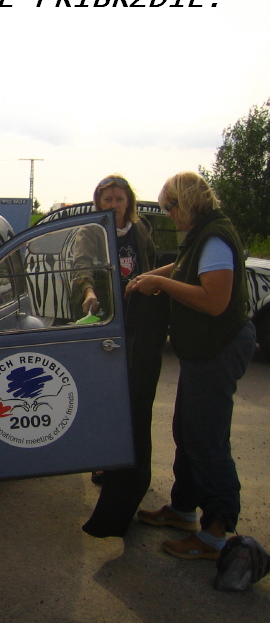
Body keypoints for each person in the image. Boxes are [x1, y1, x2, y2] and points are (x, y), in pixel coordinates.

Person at [134, 171, 256, 560]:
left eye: (170, 207)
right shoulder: (203, 233)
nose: (169, 215)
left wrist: (161, 285)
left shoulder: (214, 237)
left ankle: (215, 534)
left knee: (207, 439)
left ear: (186, 202)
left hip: (218, 348)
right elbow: (184, 266)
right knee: (187, 430)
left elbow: (214, 302)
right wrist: (150, 276)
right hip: (202, 350)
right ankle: (184, 509)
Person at [75, 174, 170, 539]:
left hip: (136, 323)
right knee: (103, 395)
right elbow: (81, 267)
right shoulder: (91, 231)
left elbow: (150, 265)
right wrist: (88, 292)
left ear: (128, 200)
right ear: (98, 202)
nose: (113, 205)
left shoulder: (141, 229)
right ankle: (103, 461)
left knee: (132, 396)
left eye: (118, 198)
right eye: (107, 199)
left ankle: (126, 463)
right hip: (104, 319)